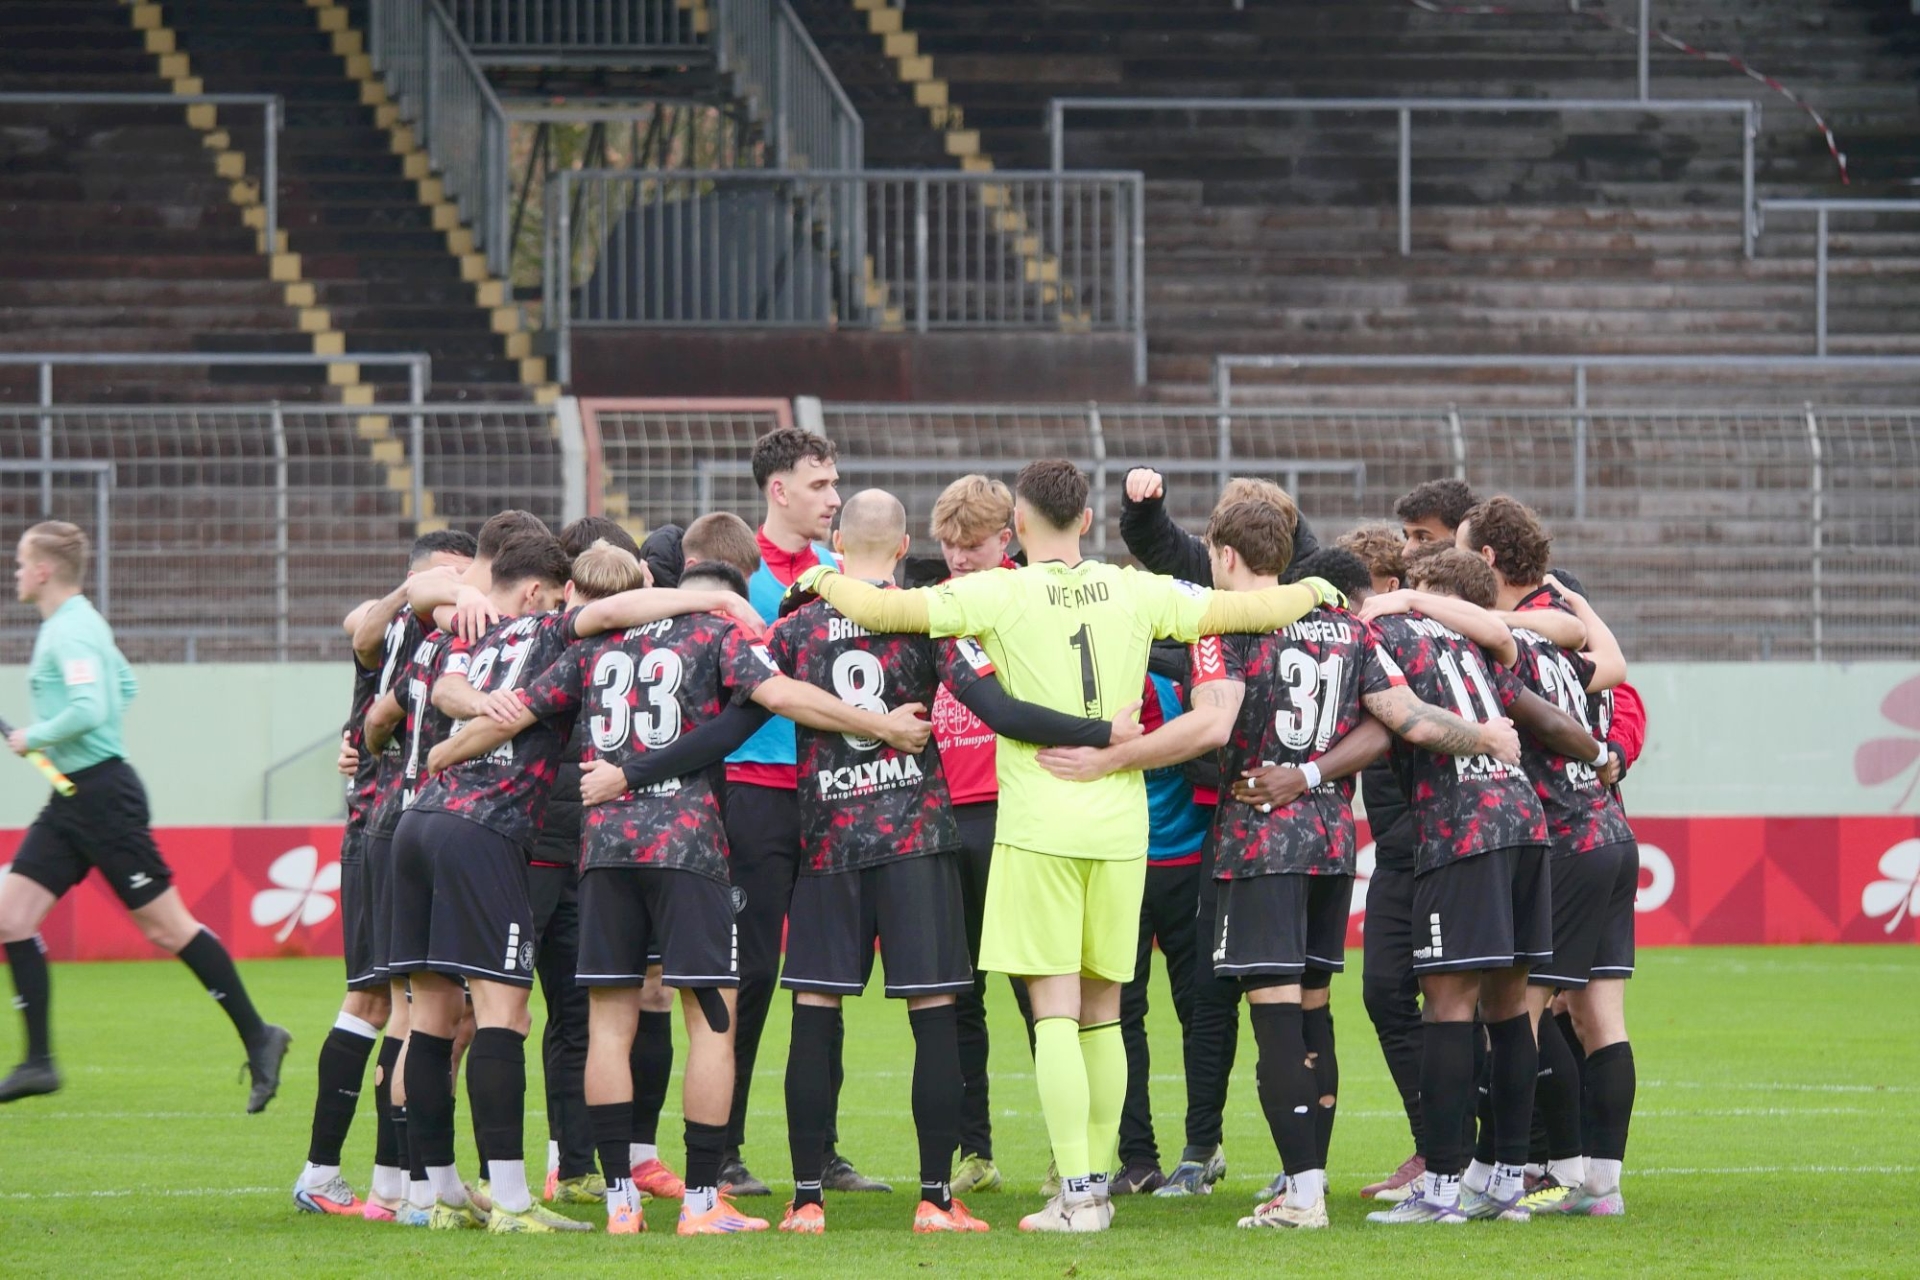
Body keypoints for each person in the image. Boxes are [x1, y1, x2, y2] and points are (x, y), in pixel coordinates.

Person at [792, 460, 1346, 1233]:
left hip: (1040, 822)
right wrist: (1316, 589)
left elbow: (883, 609)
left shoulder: (1000, 591)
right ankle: (1097, 1190)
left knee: (1054, 1010)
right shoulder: (1135, 588)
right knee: (1104, 1013)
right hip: (1119, 825)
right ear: (1086, 520)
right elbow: (1248, 608)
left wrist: (822, 578)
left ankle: (1079, 1194)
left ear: (1018, 526)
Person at [1040, 523, 1521, 1231]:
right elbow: (1396, 721)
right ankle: (1309, 1183)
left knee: (1275, 1019)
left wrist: (1111, 758)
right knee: (1314, 1012)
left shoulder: (1223, 625)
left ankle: (1302, 1196)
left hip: (1259, 839)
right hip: (1331, 839)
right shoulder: (1347, 629)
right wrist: (1479, 736)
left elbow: (1211, 728)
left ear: (1225, 555)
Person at [440, 551, 930, 1235]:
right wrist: (882, 726)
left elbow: (511, 714)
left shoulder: (593, 647)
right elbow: (784, 697)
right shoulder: (716, 634)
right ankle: (701, 1202)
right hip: (686, 846)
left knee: (609, 1027)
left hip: (604, 848)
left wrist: (439, 756)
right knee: (712, 1024)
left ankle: (620, 1203)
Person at [0, 522, 291, 1109]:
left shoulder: (71, 630)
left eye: (21, 562)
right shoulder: (77, 625)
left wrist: (37, 735)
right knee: (10, 917)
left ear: (44, 570)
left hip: (103, 798)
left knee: (167, 928)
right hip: (74, 795)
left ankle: (260, 1035)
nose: (16, 572)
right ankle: (38, 1063)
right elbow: (124, 687)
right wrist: (72, 743)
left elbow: (93, 707)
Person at [1356, 548, 1607, 1225]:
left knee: (1446, 1007)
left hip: (1461, 828)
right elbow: (1520, 668)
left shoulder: (1385, 633)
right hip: (1525, 821)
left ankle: (1440, 1189)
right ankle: (1502, 1182)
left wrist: (1479, 739)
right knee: (1507, 1009)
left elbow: (1406, 719)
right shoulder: (1473, 641)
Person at [1456, 498, 1640, 1217]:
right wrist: (1576, 609)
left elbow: (1542, 717)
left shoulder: (1507, 643)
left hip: (1561, 840)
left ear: (1487, 559)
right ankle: (1599, 1185)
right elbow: (1614, 664)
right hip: (1610, 832)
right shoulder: (1559, 638)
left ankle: (1496, 1174)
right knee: (1598, 1016)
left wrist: (1594, 751)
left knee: (1513, 1013)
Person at [719, 428, 885, 1197]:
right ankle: (721, 1148)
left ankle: (820, 1153)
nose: (834, 497)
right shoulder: (733, 575)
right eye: (819, 485)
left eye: (836, 483)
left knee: (826, 976)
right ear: (777, 490)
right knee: (750, 973)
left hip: (832, 793)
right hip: (752, 792)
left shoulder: (842, 574)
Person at [294, 528, 475, 1216]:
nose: (462, 586)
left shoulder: (430, 629)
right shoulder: (404, 626)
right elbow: (362, 631)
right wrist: (411, 591)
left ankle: (383, 1183)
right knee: (398, 1005)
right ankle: (372, 1181)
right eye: (452, 574)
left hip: (390, 826)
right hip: (387, 827)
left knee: (399, 1005)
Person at [920, 475, 1031, 1197]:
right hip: (943, 816)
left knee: (1040, 989)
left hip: (1017, 812)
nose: (959, 557)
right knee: (958, 994)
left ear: (1007, 540)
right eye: (949, 545)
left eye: (972, 544)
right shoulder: (932, 607)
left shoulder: (1031, 600)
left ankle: (1069, 1154)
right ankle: (976, 1151)